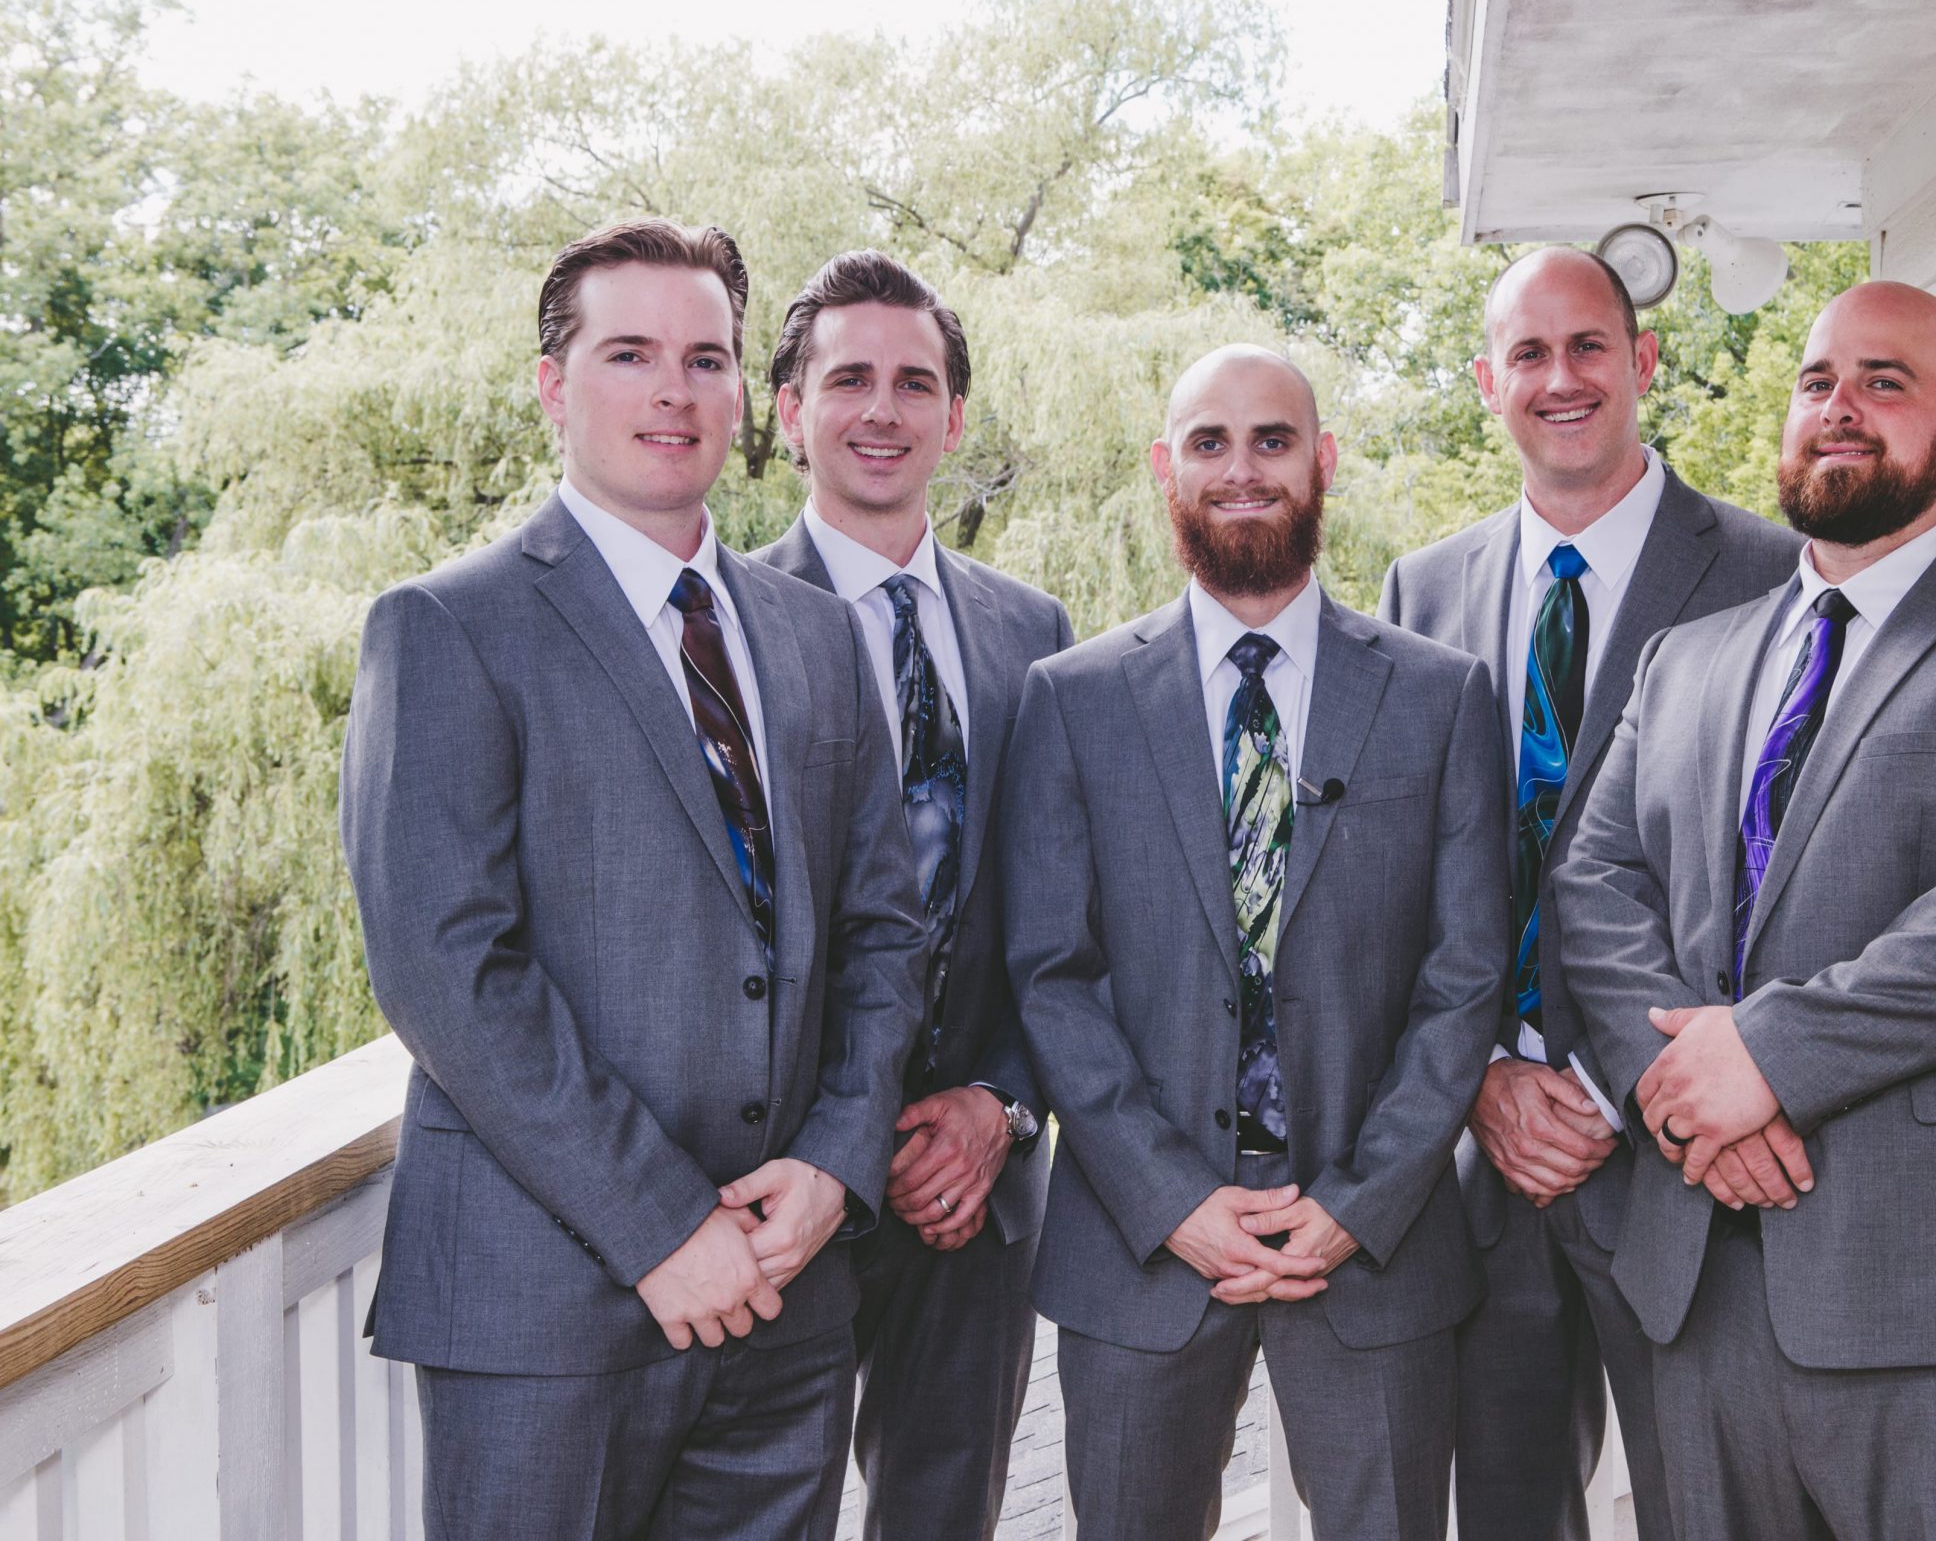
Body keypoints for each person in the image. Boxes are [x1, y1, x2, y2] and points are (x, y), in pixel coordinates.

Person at [1555, 280, 1936, 1539]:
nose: (1840, 409)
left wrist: (1765, 1058)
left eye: (1885, 383)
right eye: (1816, 381)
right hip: (1703, 1280)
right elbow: (1594, 881)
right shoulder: (1690, 658)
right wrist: (1684, 1095)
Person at [341, 219, 930, 1539]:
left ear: (742, 396)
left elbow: (888, 932)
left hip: (788, 1291)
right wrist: (667, 1224)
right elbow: (447, 967)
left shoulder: (815, 632)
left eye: (706, 357)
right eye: (630, 353)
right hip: (545, 1308)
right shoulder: (449, 626)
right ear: (554, 384)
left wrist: (836, 1162)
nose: (674, 389)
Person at [1001, 345, 1510, 1539]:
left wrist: (1359, 1199)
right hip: (1141, 1248)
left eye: (1273, 441)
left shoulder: (1441, 696)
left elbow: (1465, 976)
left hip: (1372, 1245)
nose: (1243, 471)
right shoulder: (1070, 699)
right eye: (1209, 443)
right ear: (1164, 469)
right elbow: (1049, 976)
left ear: (1321, 460)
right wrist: (1174, 1198)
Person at [1379, 245, 1798, 1540]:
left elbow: (1792, 877)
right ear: (1488, 380)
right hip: (1488, 1157)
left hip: (1685, 1160)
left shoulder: (1771, 578)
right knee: (1507, 1509)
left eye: (1588, 347)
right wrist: (1483, 1080)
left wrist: (1637, 1084)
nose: (1560, 378)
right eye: (1527, 352)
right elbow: (1395, 882)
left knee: (1712, 1509)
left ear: (1643, 362)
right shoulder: (1423, 590)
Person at [753, 251, 1071, 1541]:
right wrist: (837, 1138)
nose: (883, 409)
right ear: (788, 410)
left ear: (952, 417)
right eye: (850, 379)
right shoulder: (724, 622)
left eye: (915, 382)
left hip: (972, 1185)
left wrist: (1001, 1103)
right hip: (778, 1181)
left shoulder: (1030, 632)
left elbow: (1061, 904)